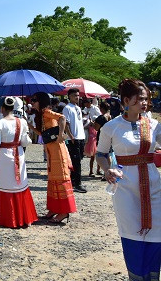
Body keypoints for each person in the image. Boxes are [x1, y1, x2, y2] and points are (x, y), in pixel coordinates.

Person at [96, 79, 161, 280]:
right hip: (125, 188)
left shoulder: (154, 125)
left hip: (154, 187)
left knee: (156, 235)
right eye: (140, 99)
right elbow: (101, 154)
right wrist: (107, 170)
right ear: (126, 99)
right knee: (132, 236)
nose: (144, 103)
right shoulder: (111, 127)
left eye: (146, 99)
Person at [0, 97, 38, 228]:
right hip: (18, 154)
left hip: (5, 156)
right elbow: (25, 142)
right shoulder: (21, 122)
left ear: (2, 109)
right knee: (20, 184)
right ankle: (24, 217)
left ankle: (9, 218)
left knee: (6, 185)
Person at [32, 92, 77, 224]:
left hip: (57, 149)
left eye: (34, 100)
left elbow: (62, 118)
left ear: (41, 101)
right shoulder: (41, 115)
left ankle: (64, 211)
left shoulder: (46, 112)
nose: (32, 102)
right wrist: (29, 127)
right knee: (53, 180)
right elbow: (43, 134)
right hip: (51, 151)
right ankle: (54, 208)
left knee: (60, 179)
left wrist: (61, 134)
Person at [63, 88, 87, 193]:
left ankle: (73, 181)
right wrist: (71, 136)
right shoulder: (67, 108)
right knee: (76, 162)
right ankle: (77, 184)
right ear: (69, 96)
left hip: (80, 137)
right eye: (74, 95)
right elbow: (66, 124)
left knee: (78, 159)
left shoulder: (78, 108)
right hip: (74, 138)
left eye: (78, 95)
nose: (77, 97)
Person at [92, 101, 111, 179]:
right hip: (109, 136)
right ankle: (108, 171)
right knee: (108, 154)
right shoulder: (109, 116)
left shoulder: (101, 117)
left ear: (101, 108)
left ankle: (105, 172)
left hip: (102, 137)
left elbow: (96, 128)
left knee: (101, 154)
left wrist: (92, 123)